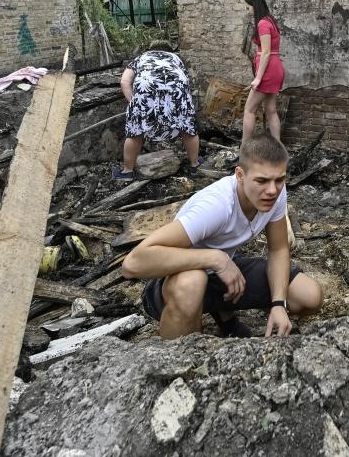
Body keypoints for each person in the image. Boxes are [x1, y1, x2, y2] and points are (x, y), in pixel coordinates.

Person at [121, 134, 324, 339]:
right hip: (176, 282)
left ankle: (223, 315)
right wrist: (215, 259)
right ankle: (180, 360)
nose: (272, 190)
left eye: (279, 179)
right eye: (261, 180)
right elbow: (132, 264)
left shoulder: (275, 193)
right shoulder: (216, 206)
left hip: (222, 276)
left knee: (308, 295)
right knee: (192, 283)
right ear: (240, 175)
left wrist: (279, 304)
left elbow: (278, 249)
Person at [114, 40, 201, 180]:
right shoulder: (176, 58)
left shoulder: (141, 58)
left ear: (150, 49)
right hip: (176, 92)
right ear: (169, 50)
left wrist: (136, 104)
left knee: (135, 132)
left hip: (146, 92)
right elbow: (184, 80)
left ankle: (127, 172)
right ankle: (195, 165)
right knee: (187, 128)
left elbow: (124, 82)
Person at [242, 0, 285, 142]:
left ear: (255, 6)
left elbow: (266, 52)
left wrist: (258, 78)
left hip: (268, 71)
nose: (247, 10)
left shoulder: (262, 23)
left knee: (249, 110)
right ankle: (278, 148)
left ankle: (244, 150)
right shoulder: (270, 21)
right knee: (271, 110)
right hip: (275, 69)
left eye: (248, 7)